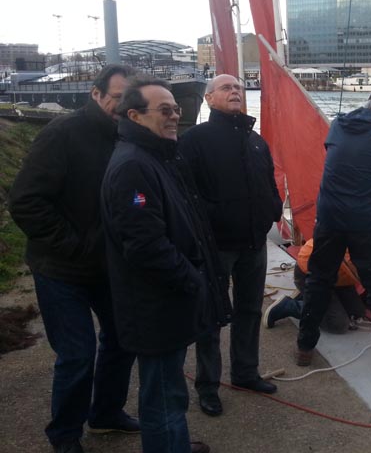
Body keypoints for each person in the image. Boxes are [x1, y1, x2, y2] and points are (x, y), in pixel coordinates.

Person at [9, 64, 137, 453]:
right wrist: (75, 245)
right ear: (96, 94)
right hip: (61, 267)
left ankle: (106, 413)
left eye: (130, 100)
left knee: (123, 339)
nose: (123, 106)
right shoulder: (61, 134)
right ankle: (64, 434)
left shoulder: (129, 135)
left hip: (108, 265)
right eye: (117, 98)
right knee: (77, 354)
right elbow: (25, 201)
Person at [101, 77, 231, 453]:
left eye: (176, 108)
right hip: (154, 307)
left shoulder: (156, 157)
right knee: (162, 398)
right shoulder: (134, 166)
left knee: (171, 391)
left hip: (165, 303)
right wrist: (192, 279)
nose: (175, 115)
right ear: (134, 116)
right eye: (164, 110)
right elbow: (145, 246)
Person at [178, 74, 283, 417]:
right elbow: (186, 193)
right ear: (209, 98)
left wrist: (273, 209)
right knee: (211, 317)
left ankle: (245, 372)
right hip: (216, 245)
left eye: (238, 87)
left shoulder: (255, 140)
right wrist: (213, 220)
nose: (235, 91)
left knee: (249, 310)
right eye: (226, 88)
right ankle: (208, 385)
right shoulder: (195, 140)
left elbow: (268, 182)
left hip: (254, 242)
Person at [296, 92, 371, 369]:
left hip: (329, 216)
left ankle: (305, 348)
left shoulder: (338, 124)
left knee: (318, 281)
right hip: (364, 220)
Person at [266, 226, 371, 332]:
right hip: (310, 275)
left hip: (337, 278)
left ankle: (306, 297)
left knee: (357, 312)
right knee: (338, 324)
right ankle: (289, 306)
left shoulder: (365, 237)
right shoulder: (354, 256)